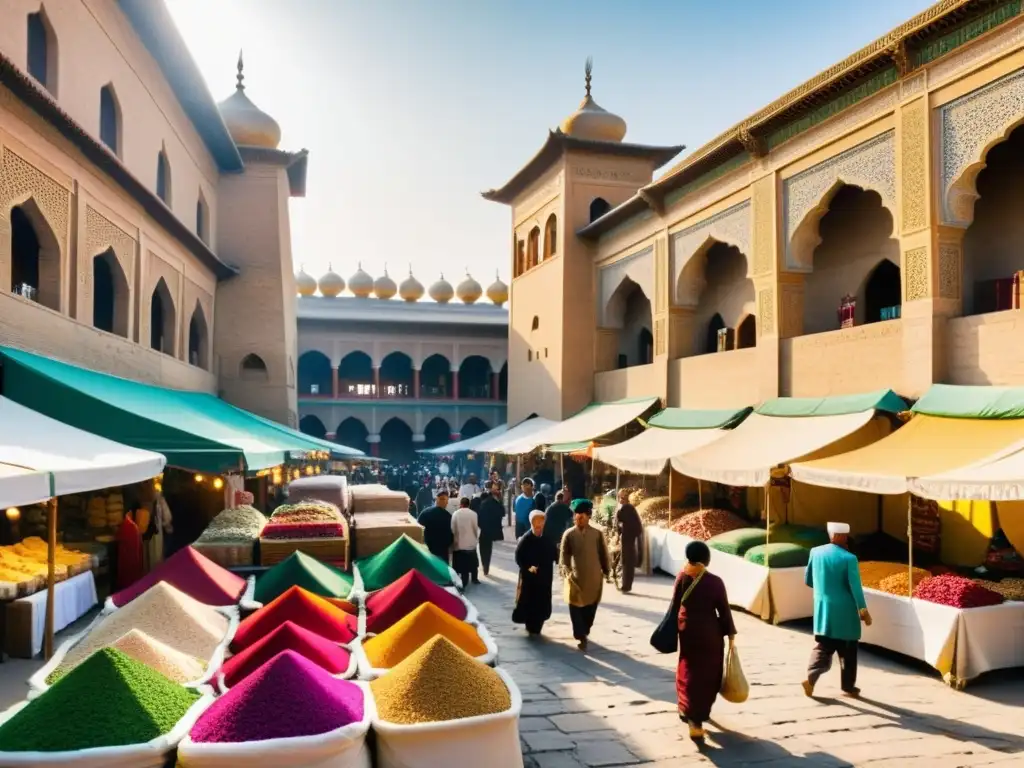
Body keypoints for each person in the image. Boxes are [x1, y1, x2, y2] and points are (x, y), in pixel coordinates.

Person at [672, 540, 737, 742]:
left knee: (688, 669)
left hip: (687, 630)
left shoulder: (682, 577)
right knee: (709, 673)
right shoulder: (715, 582)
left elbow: (675, 605)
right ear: (706, 558)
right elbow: (724, 611)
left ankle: (688, 711)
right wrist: (731, 633)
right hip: (710, 632)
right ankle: (697, 717)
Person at [802, 521, 871, 699]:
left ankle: (811, 675)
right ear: (840, 536)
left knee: (823, 646)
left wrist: (824, 590)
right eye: (845, 536)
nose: (847, 540)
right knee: (848, 650)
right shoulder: (849, 558)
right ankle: (848, 686)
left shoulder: (815, 552)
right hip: (845, 613)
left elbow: (808, 580)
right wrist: (863, 609)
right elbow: (855, 586)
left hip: (822, 610)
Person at [559, 499, 610, 652]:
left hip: (594, 577)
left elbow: (603, 554)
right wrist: (566, 570)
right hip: (575, 578)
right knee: (575, 607)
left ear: (588, 516)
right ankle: (580, 634)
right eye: (576, 516)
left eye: (582, 516)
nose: (579, 518)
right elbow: (564, 555)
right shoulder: (569, 534)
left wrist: (607, 570)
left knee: (590, 607)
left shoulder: (597, 534)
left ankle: (585, 630)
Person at [512, 510, 558, 636]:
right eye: (536, 521)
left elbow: (555, 554)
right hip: (530, 579)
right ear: (531, 522)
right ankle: (530, 624)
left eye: (541, 521)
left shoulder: (548, 538)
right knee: (529, 600)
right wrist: (528, 567)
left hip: (545, 578)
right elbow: (518, 556)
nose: (539, 525)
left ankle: (538, 624)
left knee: (542, 601)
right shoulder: (526, 539)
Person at [613, 488, 644, 594]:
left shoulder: (627, 509)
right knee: (626, 562)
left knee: (627, 562)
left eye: (622, 497)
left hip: (628, 539)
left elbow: (621, 520)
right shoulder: (627, 508)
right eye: (619, 497)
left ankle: (626, 585)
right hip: (627, 538)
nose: (620, 499)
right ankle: (625, 584)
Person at [417, 489, 454, 564]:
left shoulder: (425, 512)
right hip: (442, 552)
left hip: (428, 550)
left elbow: (418, 529)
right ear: (446, 502)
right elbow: (452, 535)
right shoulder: (448, 516)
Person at [477, 481, 505, 576]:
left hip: (484, 529)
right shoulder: (495, 502)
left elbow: (479, 515)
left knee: (483, 548)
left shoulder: (483, 501)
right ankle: (486, 566)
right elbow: (502, 513)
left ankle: (485, 565)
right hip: (490, 529)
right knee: (488, 549)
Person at [451, 497, 481, 586]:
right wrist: (475, 538)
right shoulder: (474, 514)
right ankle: (474, 578)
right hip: (471, 543)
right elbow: (475, 528)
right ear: (469, 504)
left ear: (461, 504)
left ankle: (461, 580)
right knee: (473, 562)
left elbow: (453, 529)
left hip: (459, 543)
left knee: (460, 564)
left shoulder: (455, 514)